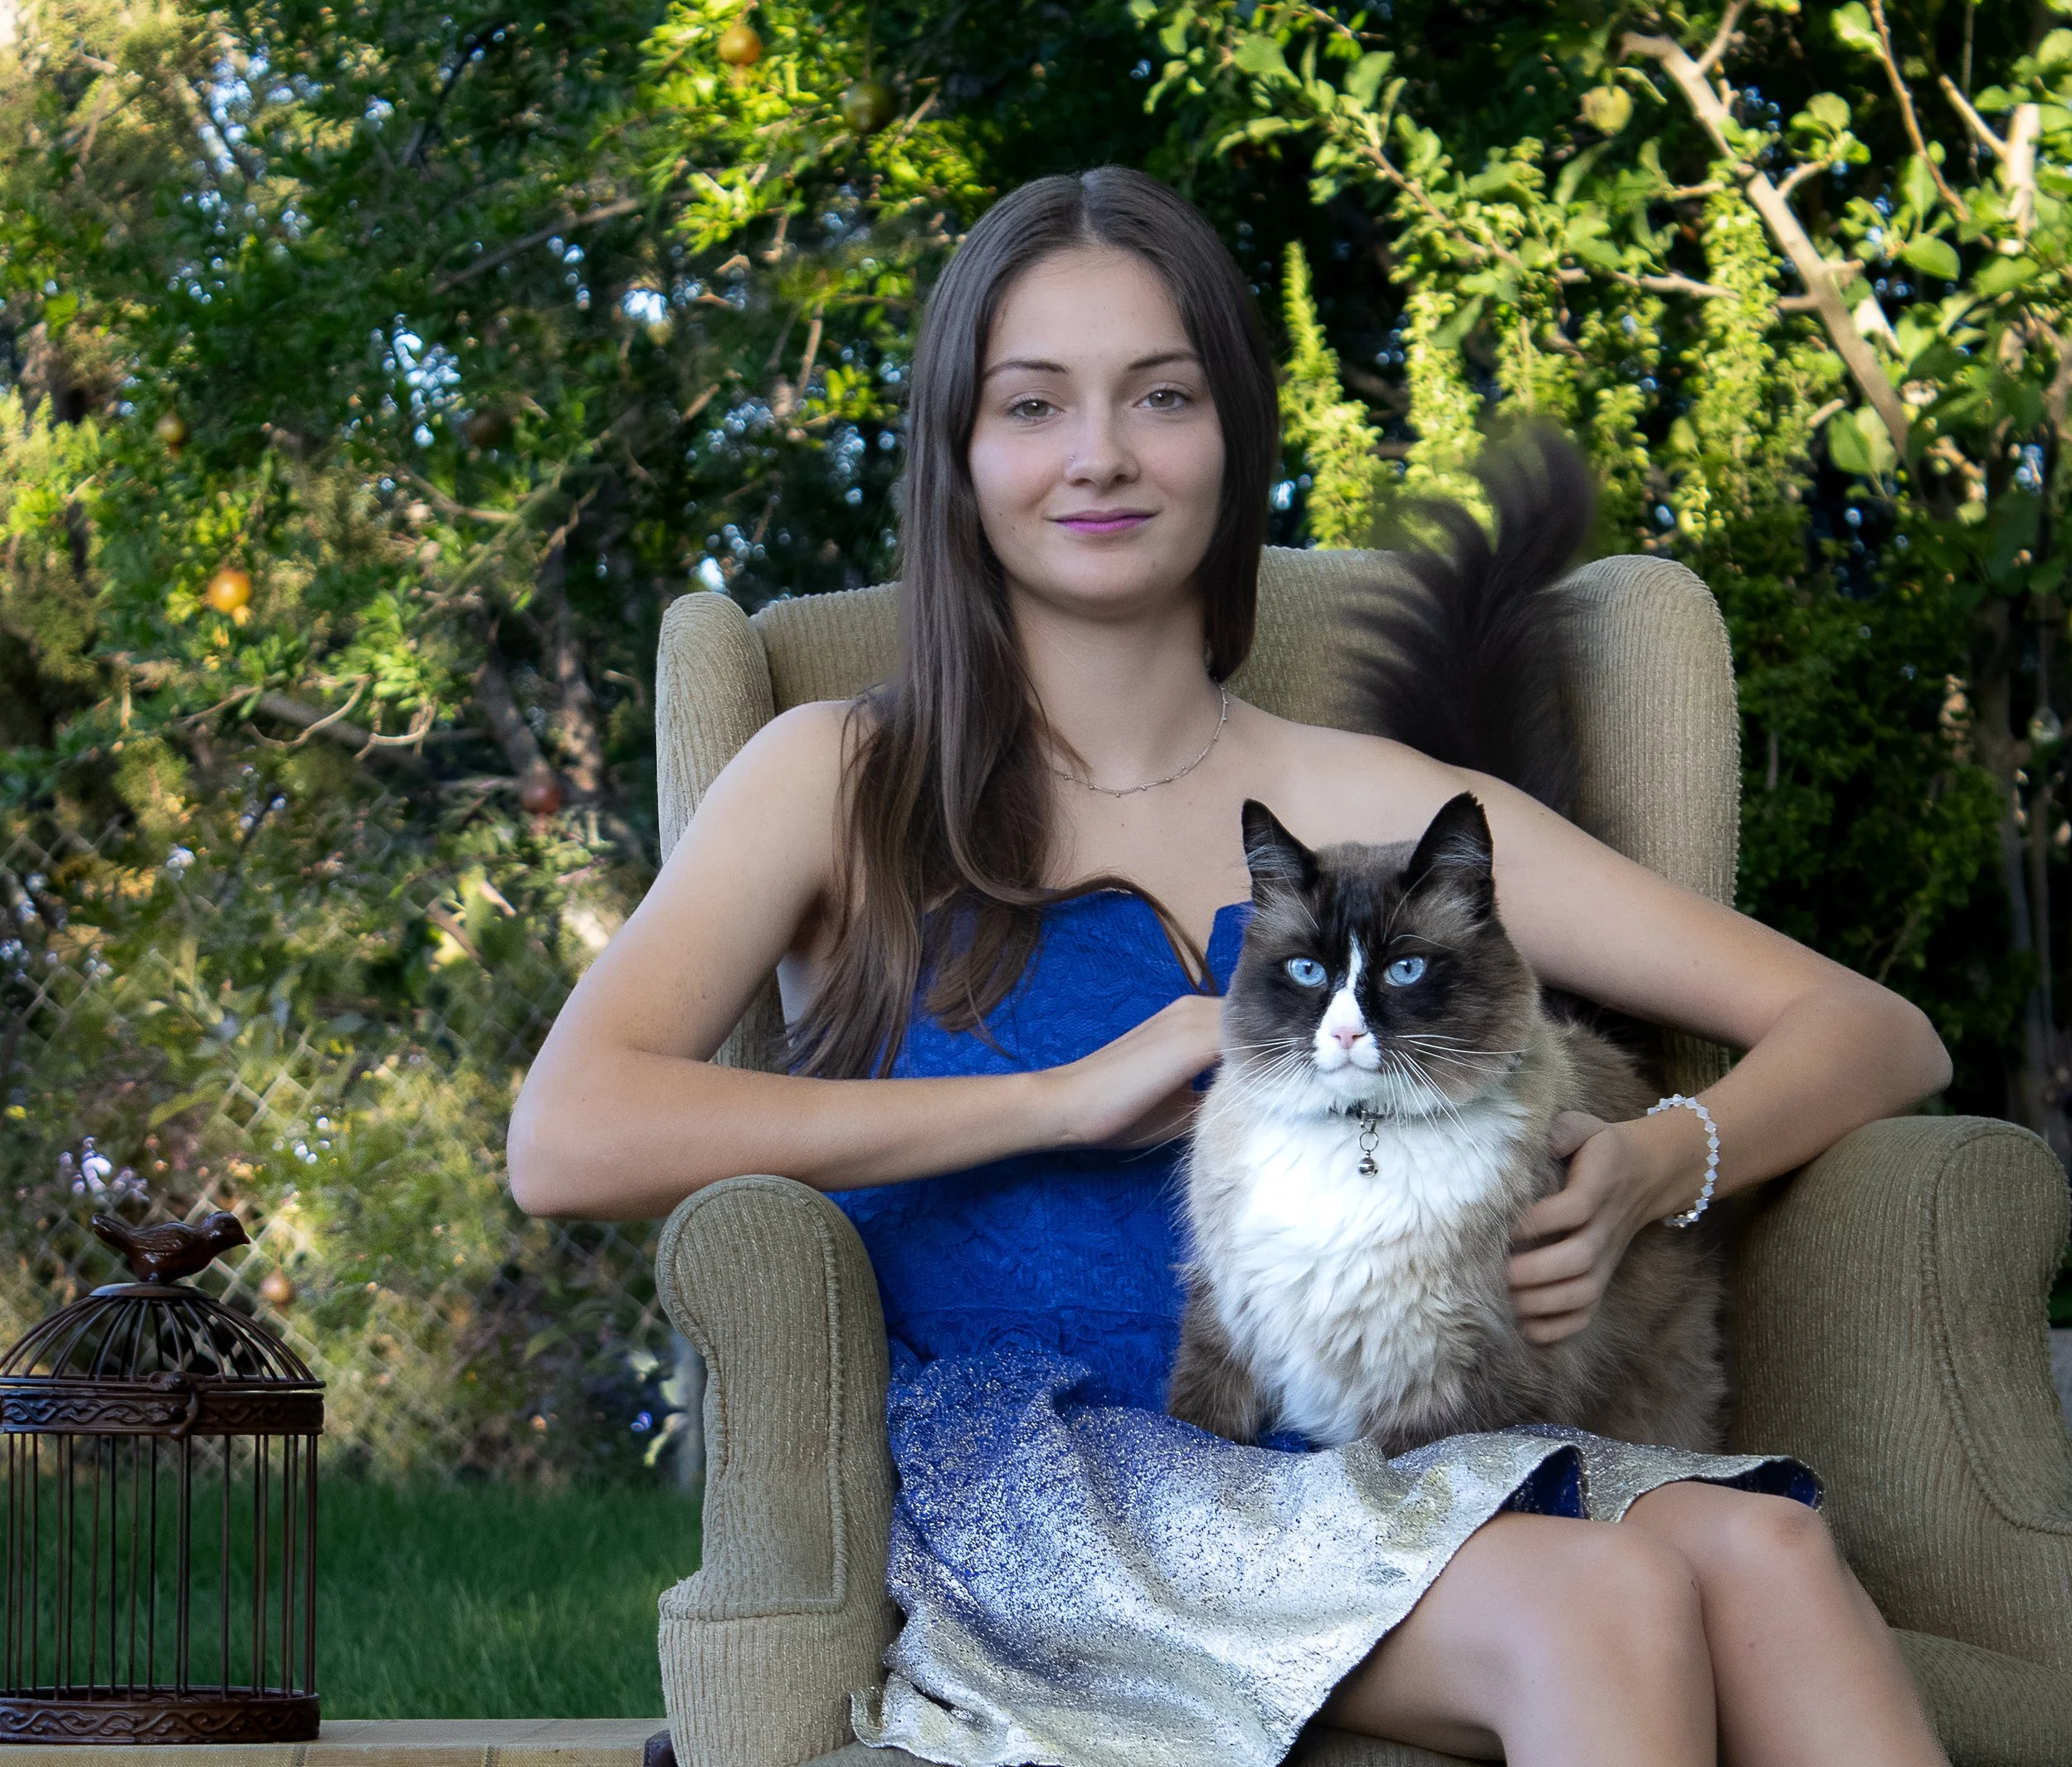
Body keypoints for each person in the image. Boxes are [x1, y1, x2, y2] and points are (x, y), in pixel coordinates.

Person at [509, 168, 1953, 1767]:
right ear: (958, 454)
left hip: (1373, 1448)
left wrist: (1654, 1166)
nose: (1101, 454)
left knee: (1771, 1553)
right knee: (1603, 1599)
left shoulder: (1369, 804)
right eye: (1033, 403)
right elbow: (569, 1137)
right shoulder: (839, 776)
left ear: (1234, 436)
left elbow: (1875, 1032)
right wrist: (1056, 1100)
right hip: (1052, 1490)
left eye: (1162, 395)